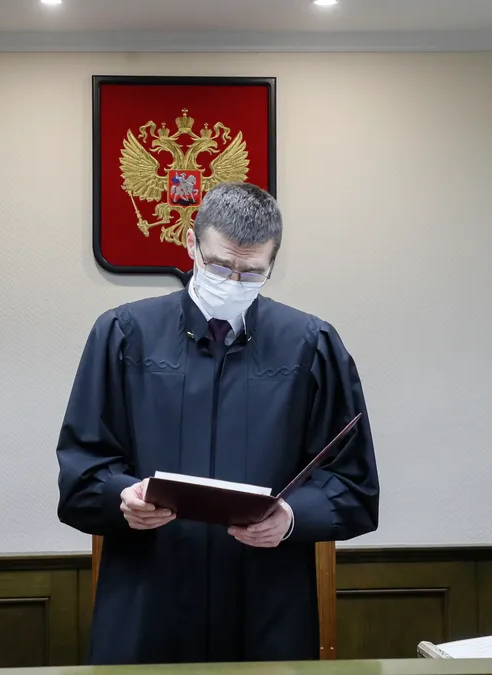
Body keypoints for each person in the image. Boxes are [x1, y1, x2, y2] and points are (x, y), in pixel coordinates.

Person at [56, 182, 380, 665]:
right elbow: (82, 473)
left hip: (266, 604)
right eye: (219, 266)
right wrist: (122, 497)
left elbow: (354, 484)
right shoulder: (124, 335)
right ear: (191, 244)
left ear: (273, 263)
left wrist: (292, 517)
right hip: (150, 598)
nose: (232, 282)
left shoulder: (310, 345)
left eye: (252, 273)